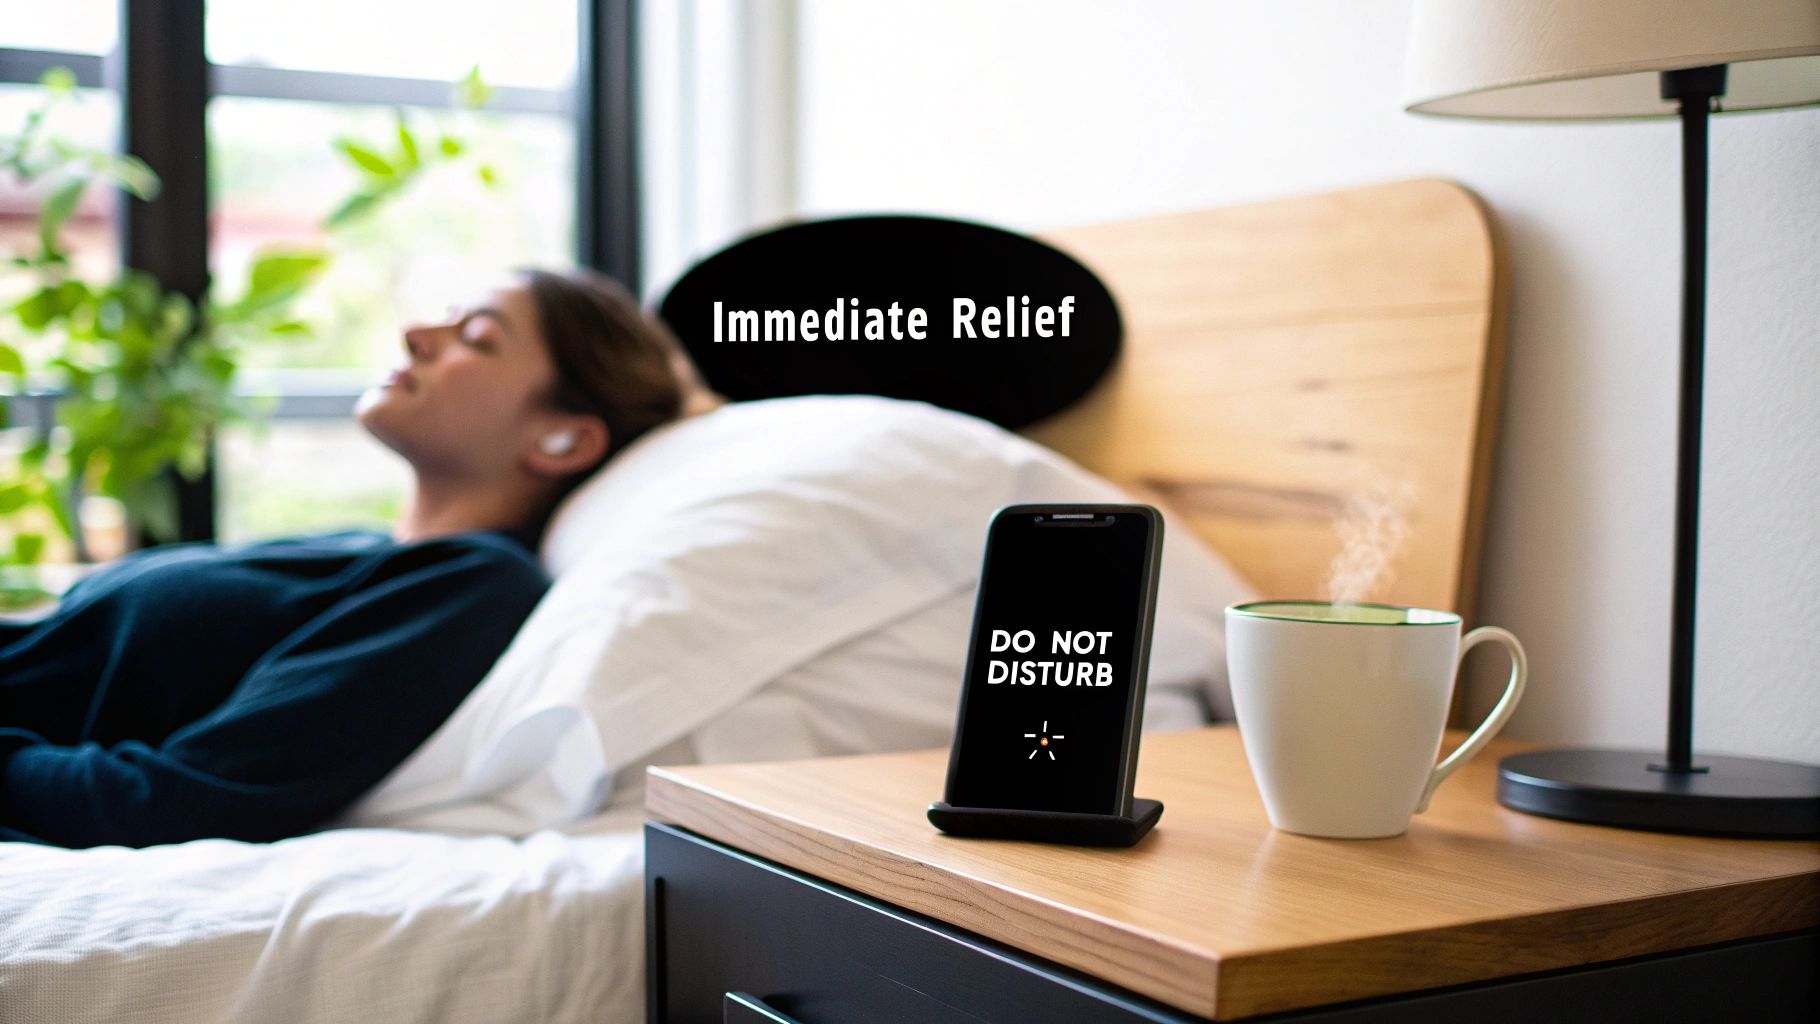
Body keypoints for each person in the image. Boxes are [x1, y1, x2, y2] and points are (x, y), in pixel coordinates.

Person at [0, 268, 725, 848]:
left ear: (563, 439)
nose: (415, 334)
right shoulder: (358, 552)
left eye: (475, 336)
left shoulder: (470, 588)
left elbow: (172, 802)